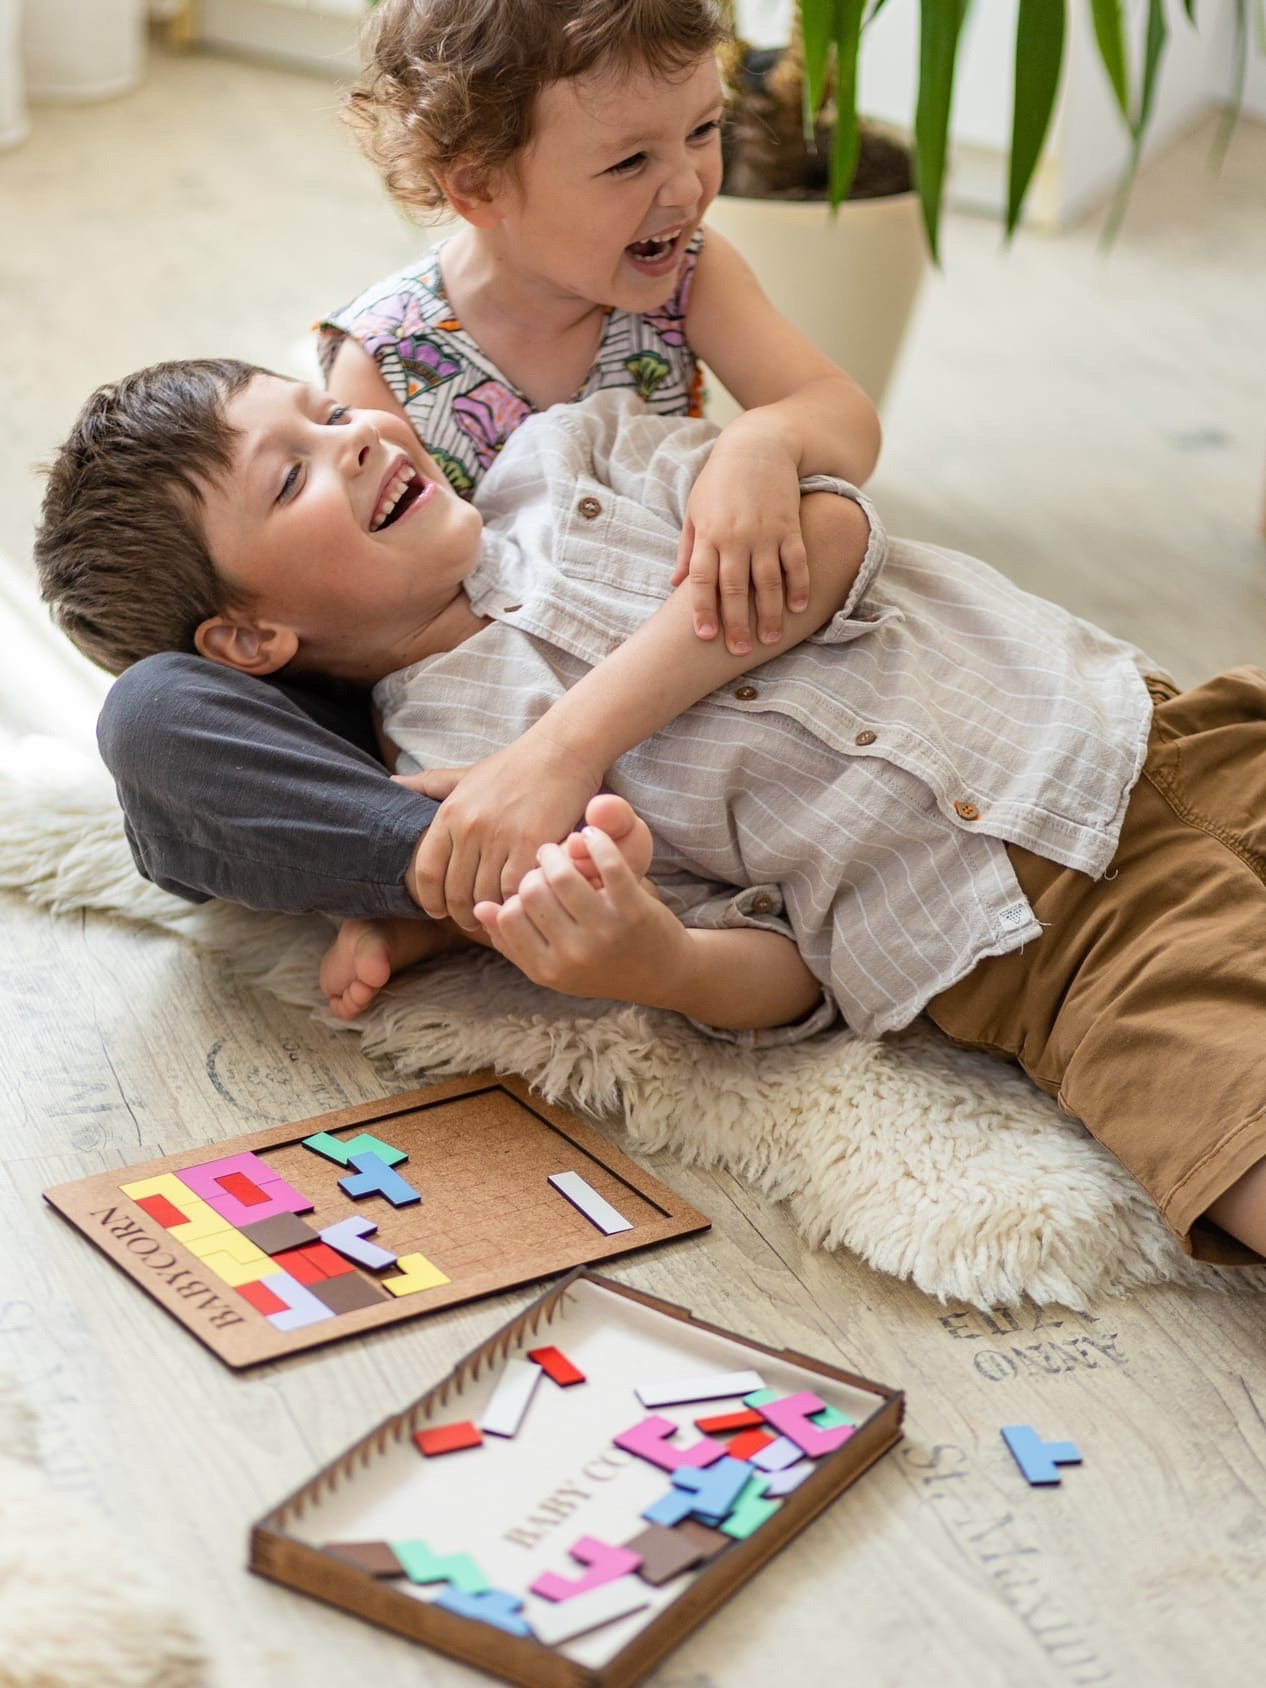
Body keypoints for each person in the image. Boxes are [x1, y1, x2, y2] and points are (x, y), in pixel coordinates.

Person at [34, 359, 1266, 1270]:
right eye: (293, 471)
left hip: (1164, 730)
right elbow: (792, 972)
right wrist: (661, 963)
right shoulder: (460, 783)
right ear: (252, 635)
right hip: (1055, 956)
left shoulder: (565, 455)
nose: (352, 435)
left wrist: (572, 740)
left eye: (328, 408)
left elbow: (830, 535)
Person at [93, 0, 882, 929]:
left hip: (650, 627)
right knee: (164, 722)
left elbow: (843, 421)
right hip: (468, 684)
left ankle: (458, 887)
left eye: (704, 131)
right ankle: (441, 878)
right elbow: (405, 627)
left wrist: (765, 439)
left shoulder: (693, 273)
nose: (687, 186)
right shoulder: (384, 357)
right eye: (630, 161)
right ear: (476, 187)